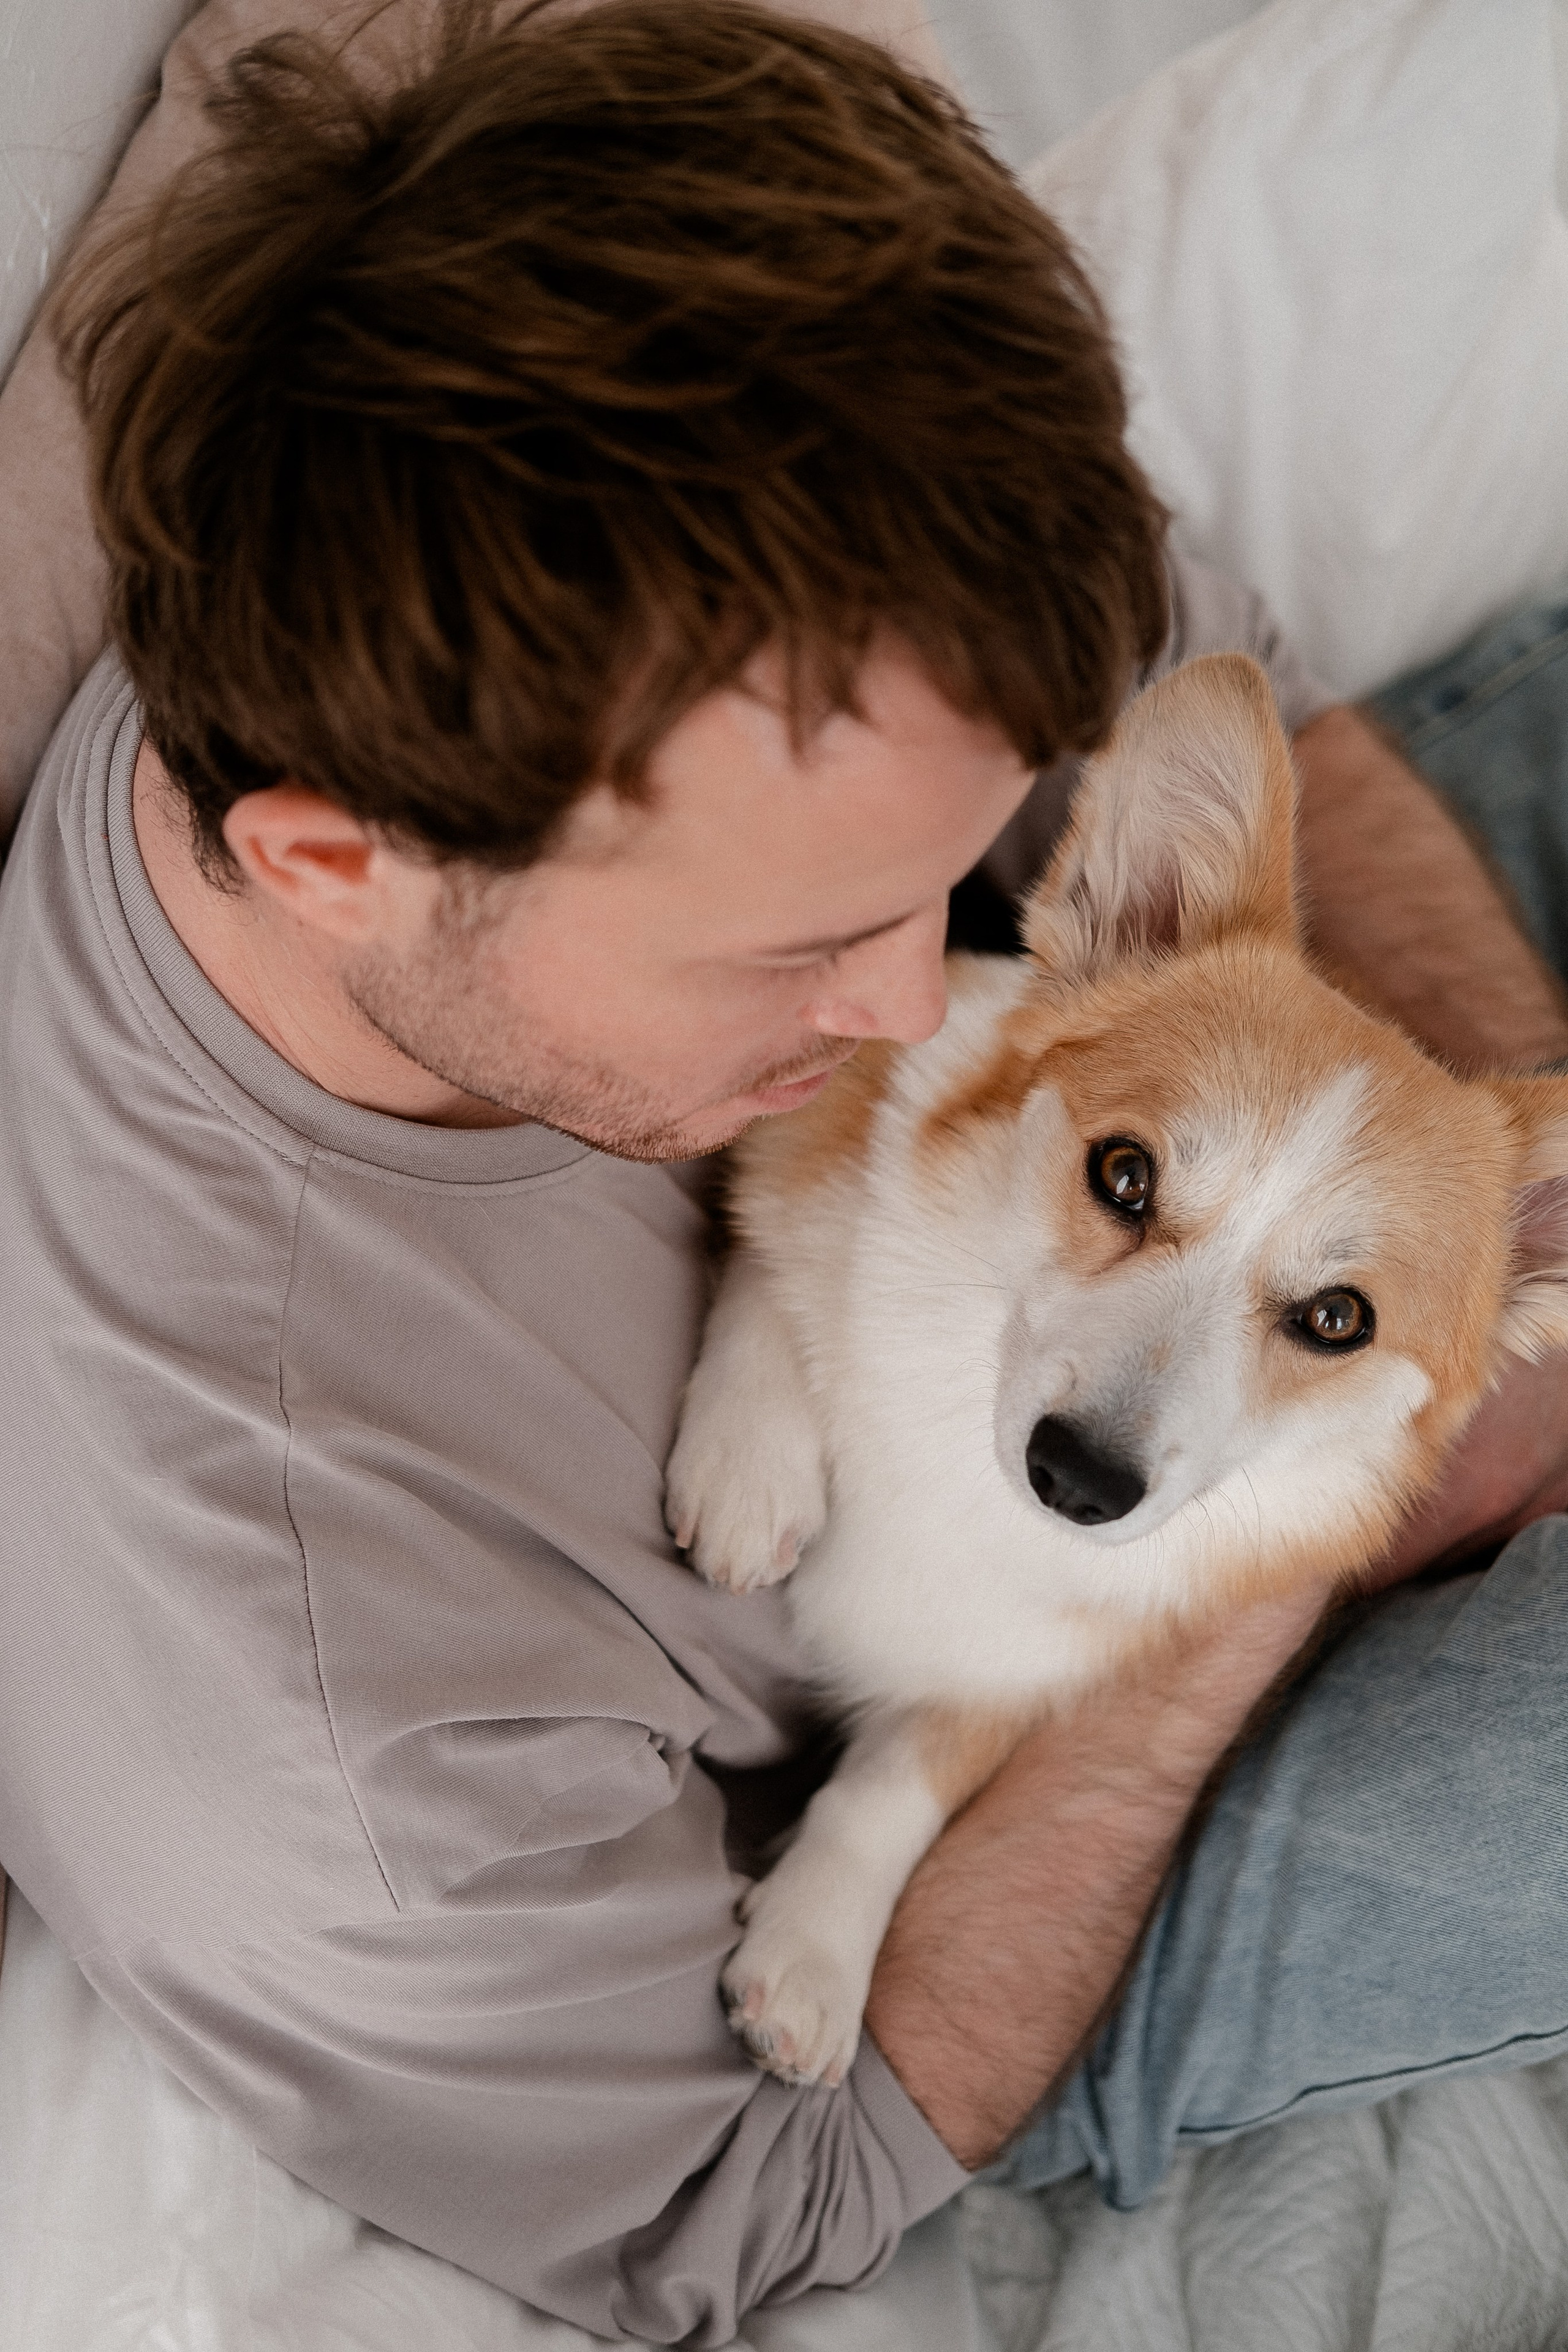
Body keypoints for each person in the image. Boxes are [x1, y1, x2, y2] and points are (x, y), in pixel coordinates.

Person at [2, 1, 1568, 2342]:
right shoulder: (331, 1749)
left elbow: (1195, 690)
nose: (930, 1006)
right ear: (334, 860)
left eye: (943, 874)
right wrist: (1307, 1507)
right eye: (819, 941)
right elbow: (765, 2198)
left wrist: (1495, 1171)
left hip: (1325, 1175)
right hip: (1010, 1833)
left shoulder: (719, 527)